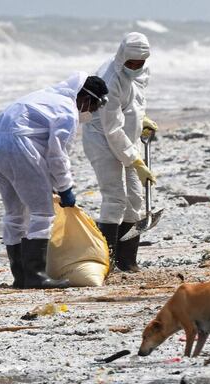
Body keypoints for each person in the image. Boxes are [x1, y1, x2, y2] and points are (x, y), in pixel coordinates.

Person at [0, 73, 109, 289]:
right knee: (42, 213)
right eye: (94, 106)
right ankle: (36, 275)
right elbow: (57, 155)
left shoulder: (45, 97)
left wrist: (52, 183)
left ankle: (21, 277)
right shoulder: (67, 110)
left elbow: (42, 144)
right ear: (86, 98)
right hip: (18, 146)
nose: (91, 112)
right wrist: (65, 188)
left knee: (15, 214)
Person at [83, 32, 158, 273]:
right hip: (102, 139)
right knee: (115, 198)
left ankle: (128, 261)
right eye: (131, 63)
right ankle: (109, 262)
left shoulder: (140, 71)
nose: (135, 67)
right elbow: (112, 127)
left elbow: (134, 100)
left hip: (128, 137)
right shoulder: (108, 78)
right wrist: (135, 161)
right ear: (121, 56)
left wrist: (141, 119)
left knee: (135, 200)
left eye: (140, 63)